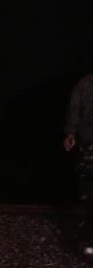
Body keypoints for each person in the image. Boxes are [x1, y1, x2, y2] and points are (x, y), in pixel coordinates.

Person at [63, 72, 93, 257]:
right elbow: (74, 109)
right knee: (89, 191)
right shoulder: (85, 84)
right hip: (90, 142)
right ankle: (88, 239)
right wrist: (70, 133)